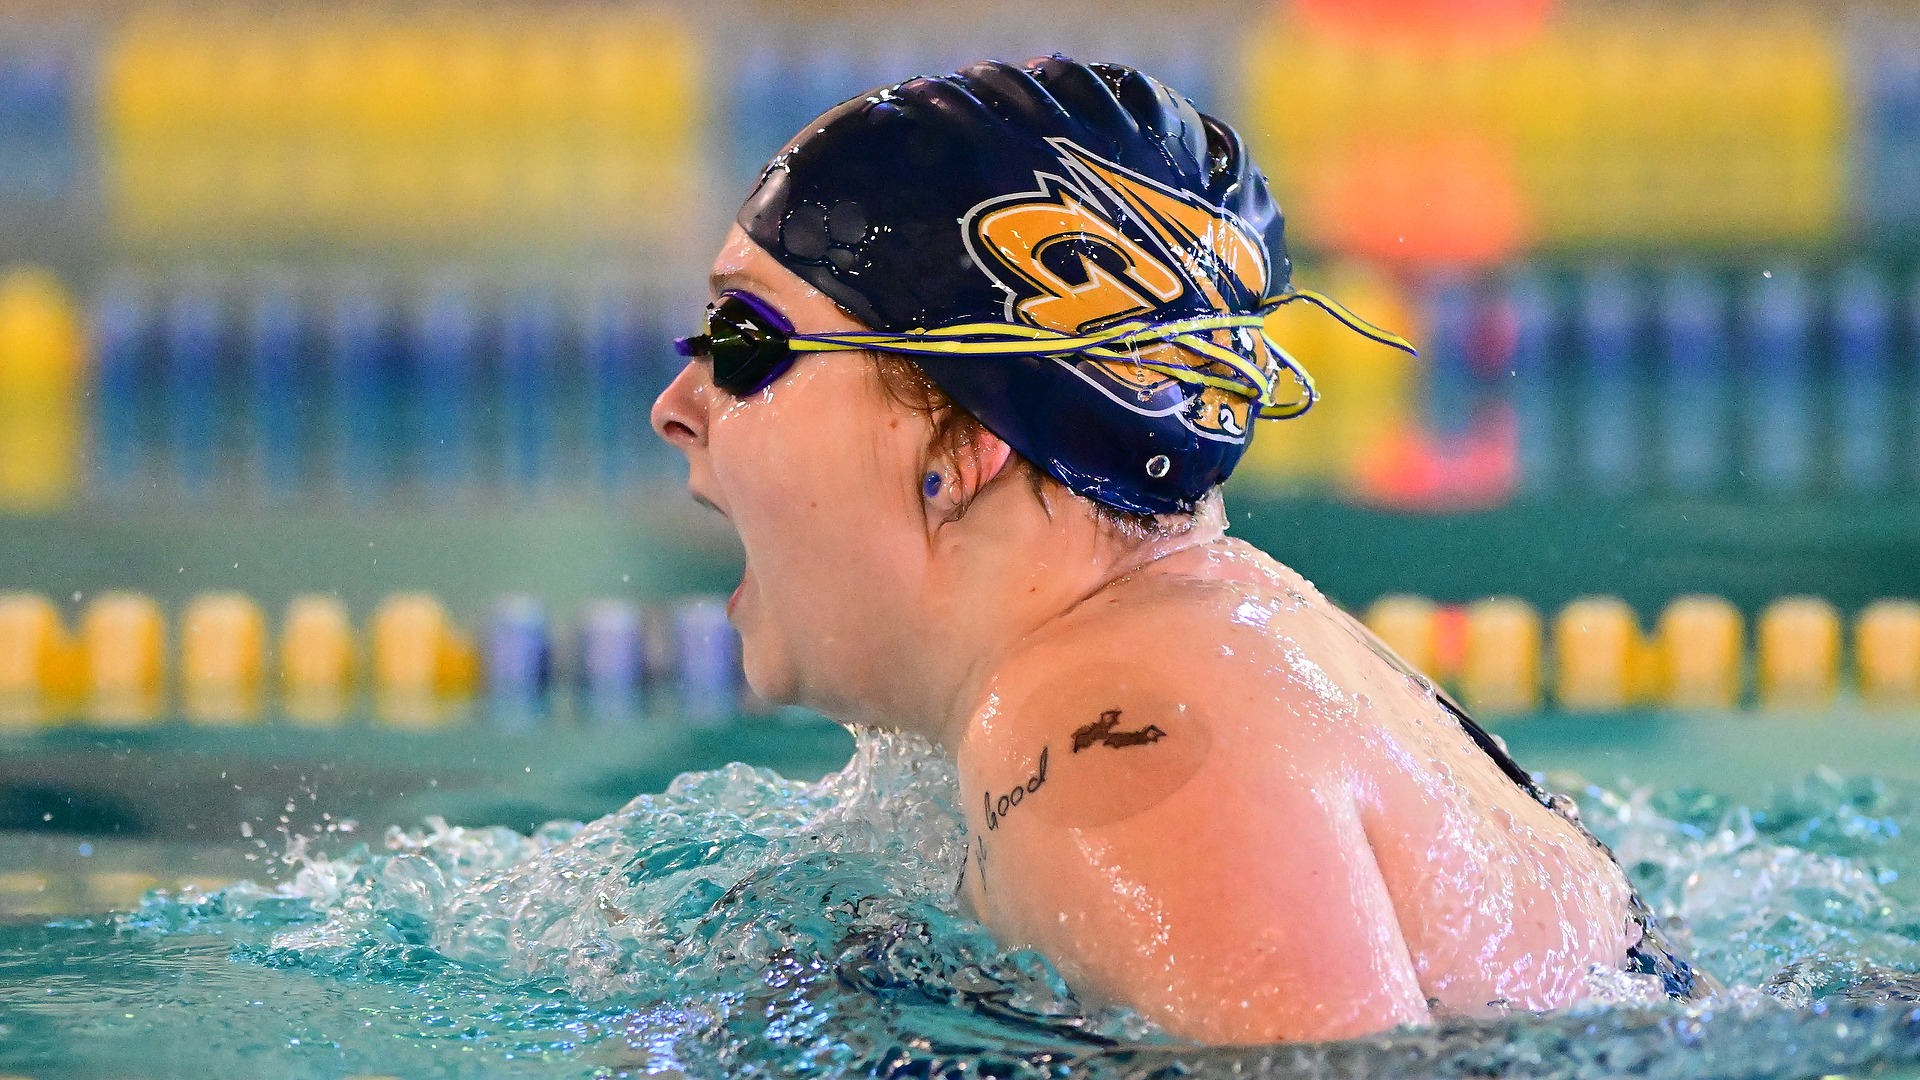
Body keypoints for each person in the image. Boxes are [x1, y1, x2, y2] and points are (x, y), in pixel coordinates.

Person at [650, 56, 1705, 1045]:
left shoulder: (1109, 731)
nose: (676, 407)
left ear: (962, 439)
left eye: (744, 342)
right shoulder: (1215, 640)